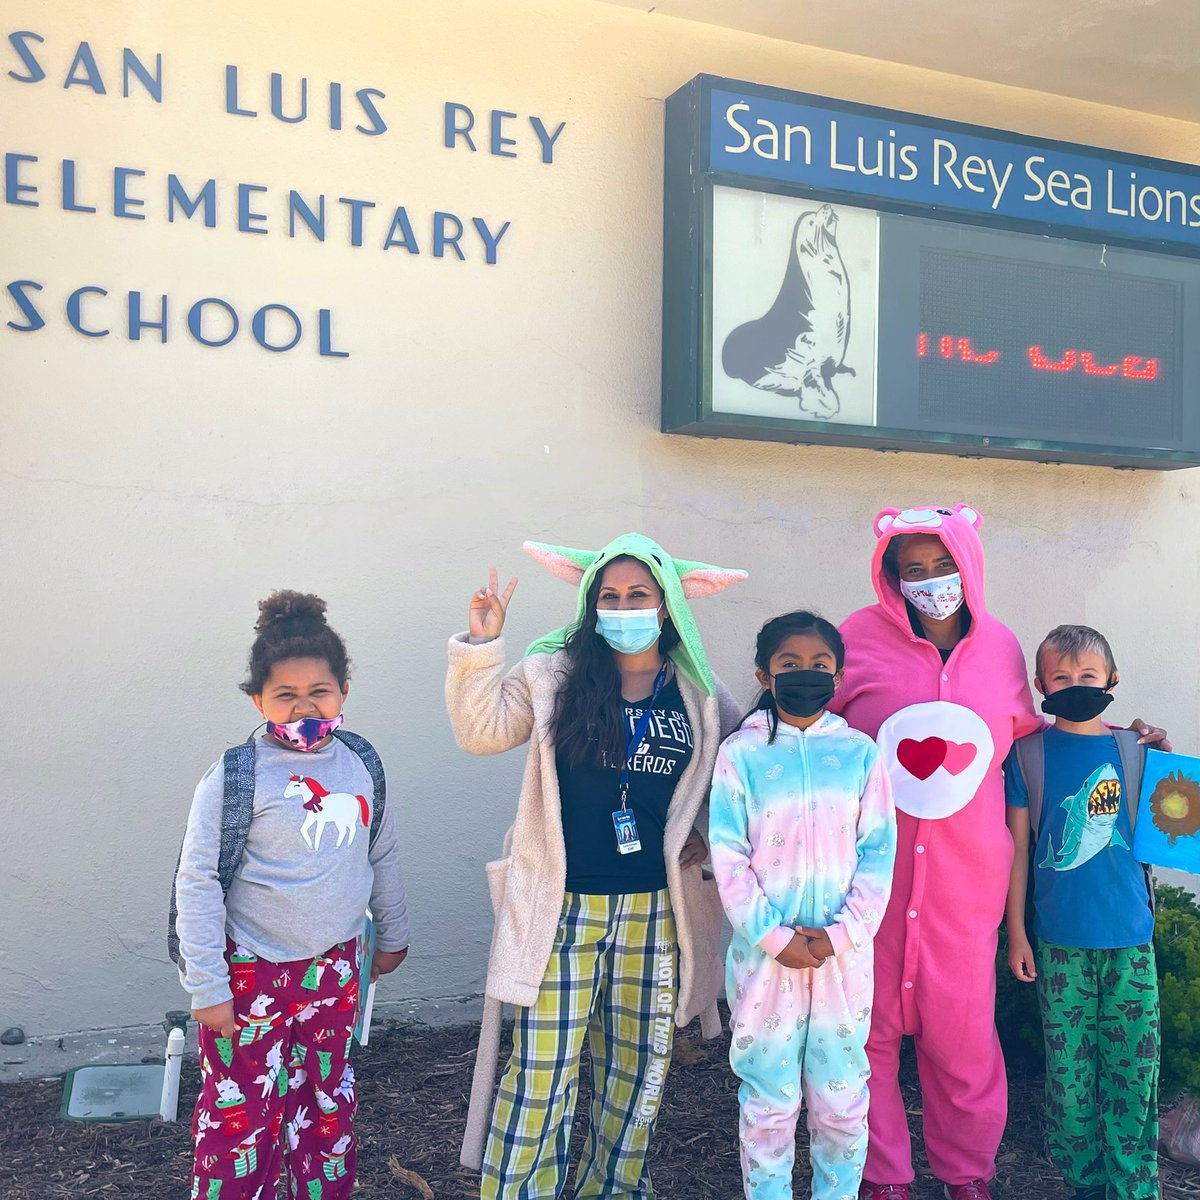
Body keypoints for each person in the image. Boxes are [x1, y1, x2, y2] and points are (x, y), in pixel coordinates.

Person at [830, 504, 1167, 1200]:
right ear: (891, 575)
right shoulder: (855, 638)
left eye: (943, 564)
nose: (930, 581)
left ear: (968, 563)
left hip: (968, 884)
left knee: (964, 1043)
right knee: (867, 1038)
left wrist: (1127, 745)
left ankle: (966, 1174)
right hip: (873, 879)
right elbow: (814, 724)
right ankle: (882, 1174)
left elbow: (1033, 735)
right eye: (913, 569)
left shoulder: (1002, 647)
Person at [447, 533, 746, 1199]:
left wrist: (706, 830)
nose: (623, 606)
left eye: (638, 594)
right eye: (608, 596)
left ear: (666, 605)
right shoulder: (554, 673)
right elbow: (481, 732)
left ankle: (615, 1188)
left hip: (657, 912)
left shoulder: (698, 688)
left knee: (638, 1075)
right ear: (590, 605)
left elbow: (742, 766)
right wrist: (481, 648)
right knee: (541, 1074)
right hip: (563, 907)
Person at [174, 591, 410, 1200]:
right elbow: (196, 881)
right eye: (285, 696)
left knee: (327, 1108)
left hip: (334, 971)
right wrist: (207, 985)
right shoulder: (235, 775)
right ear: (258, 700)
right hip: (248, 975)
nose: (304, 708)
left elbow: (378, 852)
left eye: (319, 693)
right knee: (241, 1121)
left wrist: (393, 933)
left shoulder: (361, 765)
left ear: (344, 691)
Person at [709, 612, 896, 1200]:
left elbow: (878, 852)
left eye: (819, 665)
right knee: (769, 1103)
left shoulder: (861, 754)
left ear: (838, 674)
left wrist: (840, 935)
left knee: (842, 1101)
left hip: (842, 961)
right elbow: (728, 855)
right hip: (766, 964)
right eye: (790, 665)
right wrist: (774, 936)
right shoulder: (740, 755)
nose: (805, 674)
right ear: (765, 674)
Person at [1004, 625, 1159, 1200]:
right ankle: (1085, 1184)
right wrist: (1017, 932)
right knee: (1070, 1081)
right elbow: (1017, 851)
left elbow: (1173, 825)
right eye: (1061, 678)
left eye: (1088, 677)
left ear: (1112, 681)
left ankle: (1134, 1185)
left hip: (1130, 941)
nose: (1075, 686)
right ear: (1041, 685)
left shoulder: (1136, 752)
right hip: (1060, 944)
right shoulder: (1028, 755)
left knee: (1133, 1073)